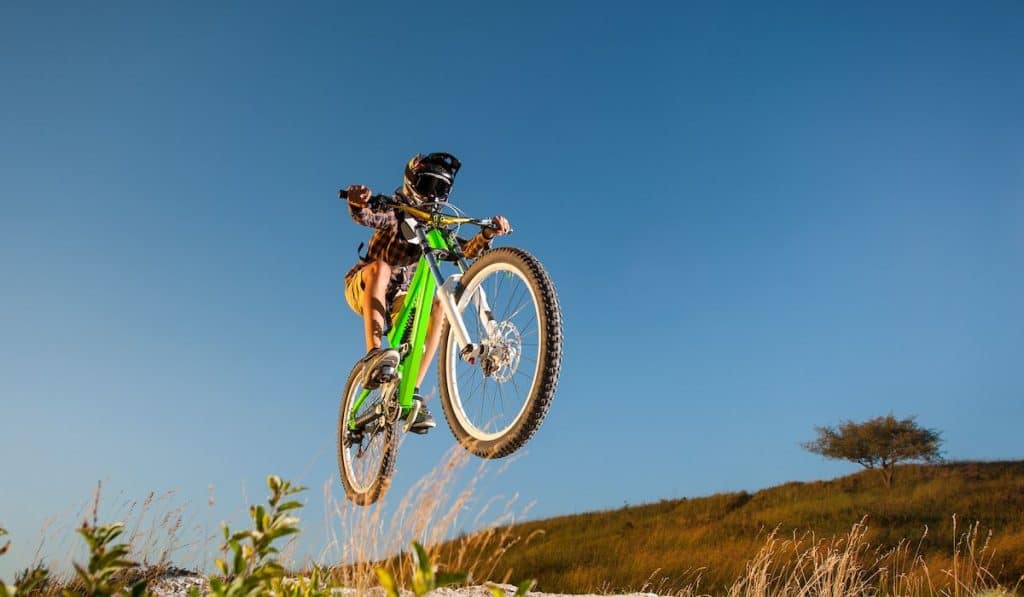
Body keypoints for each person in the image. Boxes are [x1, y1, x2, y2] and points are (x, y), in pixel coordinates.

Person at [343, 152, 511, 433]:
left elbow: (464, 251)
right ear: (411, 183)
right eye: (426, 185)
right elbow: (369, 215)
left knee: (437, 306)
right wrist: (357, 202)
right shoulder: (395, 211)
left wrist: (487, 235)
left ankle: (410, 393)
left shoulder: (435, 228)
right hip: (365, 285)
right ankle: (373, 354)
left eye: (439, 188)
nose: (431, 194)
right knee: (381, 268)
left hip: (400, 299)